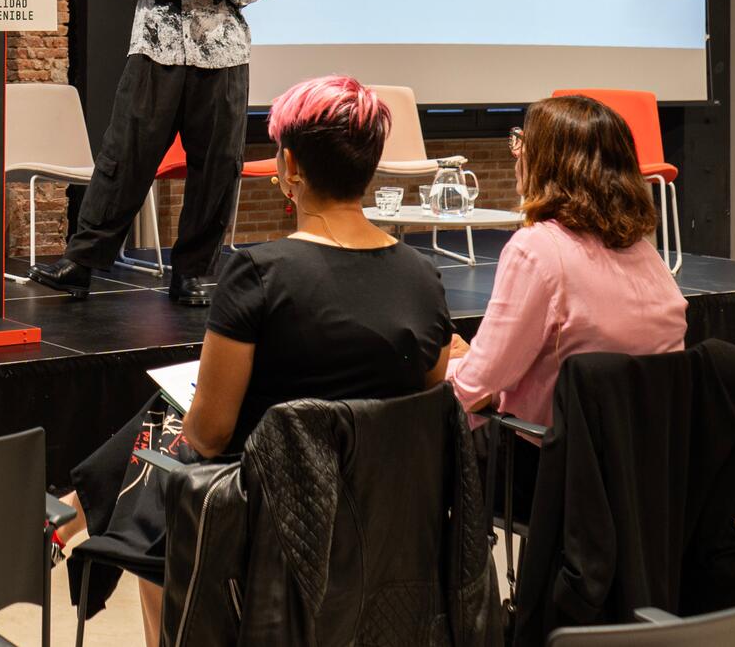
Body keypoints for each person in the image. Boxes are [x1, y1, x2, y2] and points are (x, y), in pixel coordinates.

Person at [53, 76, 455, 641]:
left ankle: (71, 514)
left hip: (269, 519)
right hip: (390, 519)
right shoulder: (423, 277)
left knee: (163, 490)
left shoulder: (258, 274)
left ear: (289, 167)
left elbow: (211, 435)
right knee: (161, 430)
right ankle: (73, 509)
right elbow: (424, 410)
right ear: (371, 165)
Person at [30, 0, 276, 305]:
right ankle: (82, 262)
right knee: (124, 158)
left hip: (221, 57)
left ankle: (193, 274)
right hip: (155, 51)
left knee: (215, 168)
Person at [447, 95, 686, 513]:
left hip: (555, 474)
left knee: (422, 434)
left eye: (522, 141)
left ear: (549, 161)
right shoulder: (647, 254)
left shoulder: (537, 249)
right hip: (648, 473)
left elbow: (474, 387)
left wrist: (438, 368)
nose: (516, 153)